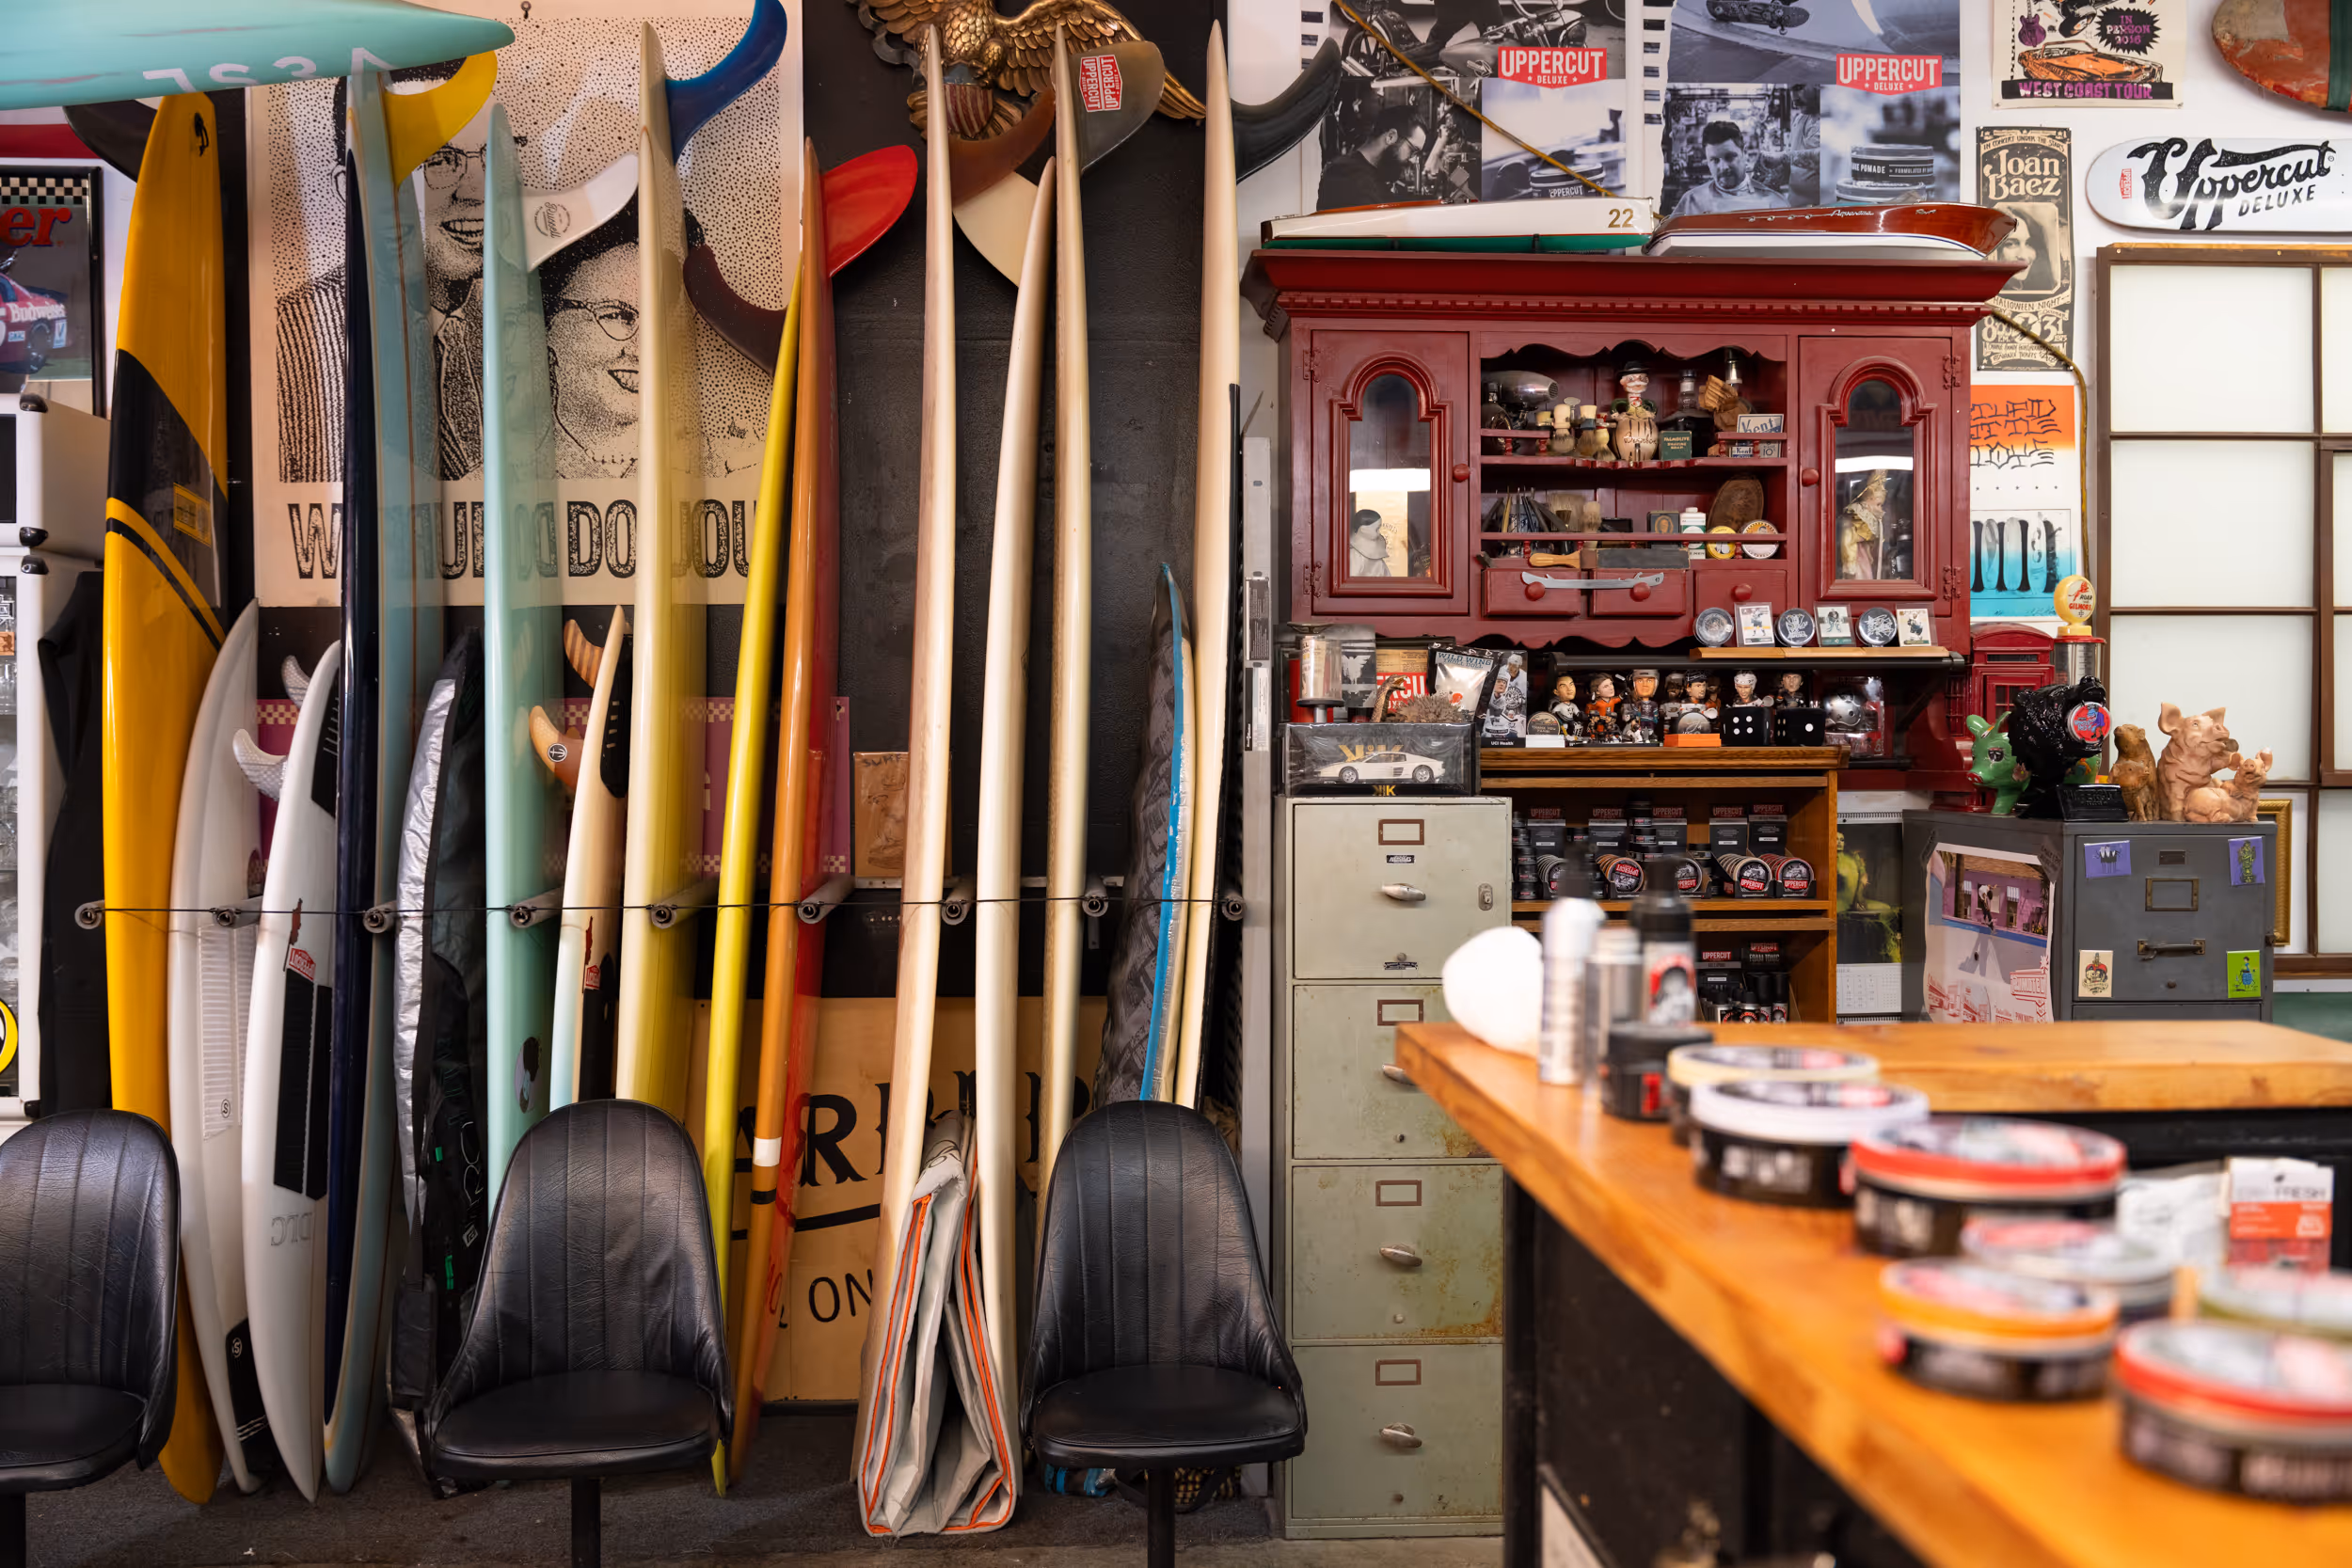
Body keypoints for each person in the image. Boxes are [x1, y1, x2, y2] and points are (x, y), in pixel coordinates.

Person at [541, 211, 641, 480]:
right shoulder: (492, 482)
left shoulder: (721, 469)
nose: (642, 348)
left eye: (662, 319)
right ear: (549, 324)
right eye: (618, 315)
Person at [1318, 102, 1423, 211]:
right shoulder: (1345, 177)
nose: (1413, 160)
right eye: (1413, 150)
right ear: (1391, 136)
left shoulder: (1372, 175)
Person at [1669, 120, 1783, 219]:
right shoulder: (1691, 202)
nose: (1723, 167)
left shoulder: (1773, 204)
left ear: (1744, 153)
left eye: (1730, 157)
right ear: (1707, 161)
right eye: (1714, 160)